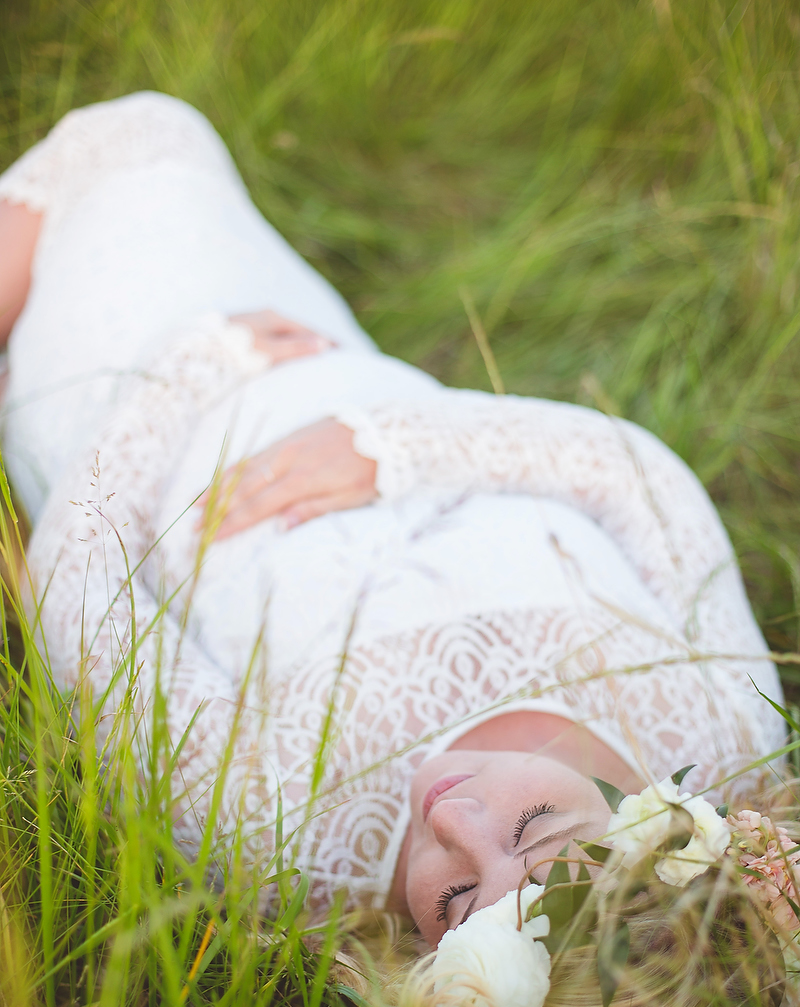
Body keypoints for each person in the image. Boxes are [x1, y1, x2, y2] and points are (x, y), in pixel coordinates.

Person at [0, 92, 786, 953]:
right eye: (532, 831)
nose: (457, 826)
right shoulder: (726, 746)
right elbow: (640, 483)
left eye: (454, 901)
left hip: (135, 413)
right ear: (658, 840)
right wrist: (388, 447)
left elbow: (76, 595)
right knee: (160, 139)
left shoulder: (272, 841)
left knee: (136, 141)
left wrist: (191, 369)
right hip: (335, 363)